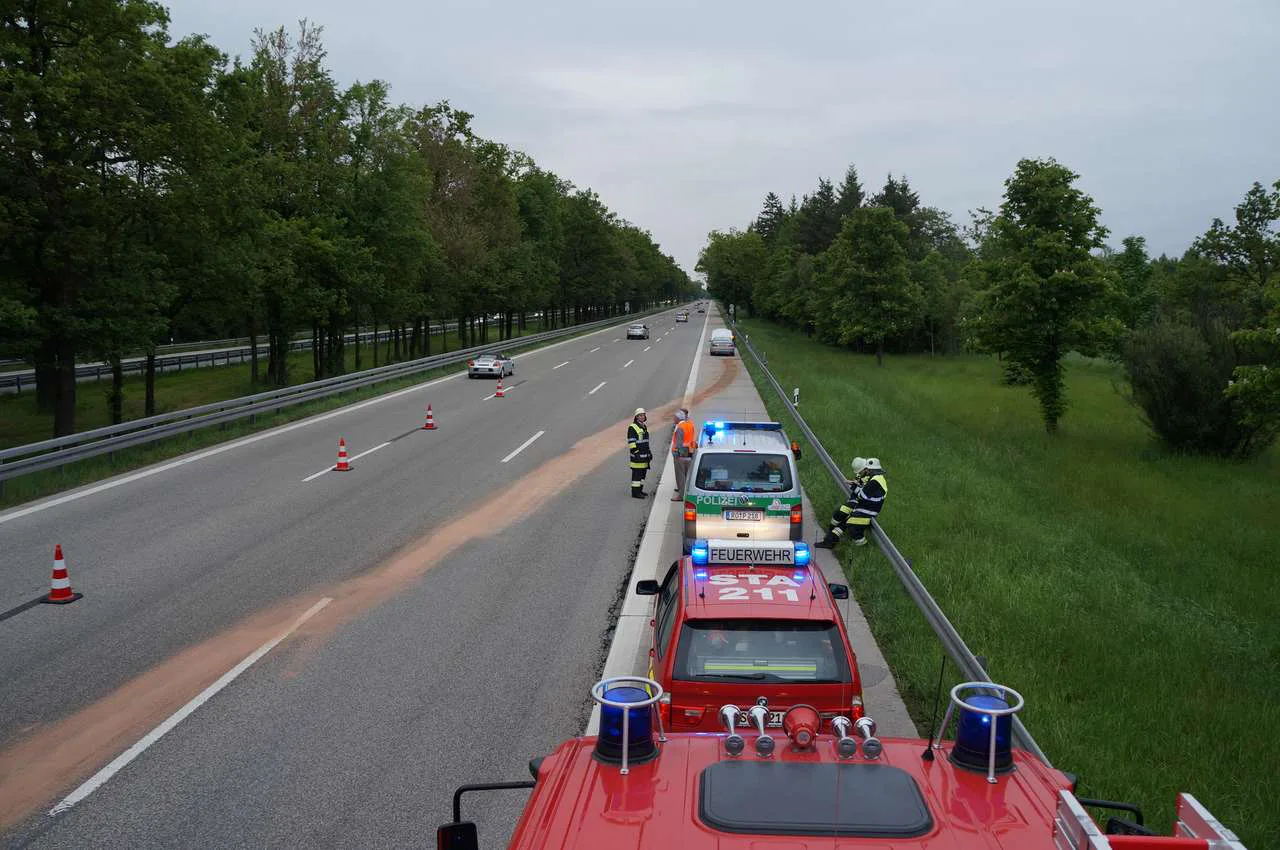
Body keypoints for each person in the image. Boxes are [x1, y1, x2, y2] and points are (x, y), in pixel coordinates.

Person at [815, 457, 887, 548]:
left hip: (867, 510)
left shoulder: (875, 481)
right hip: (863, 506)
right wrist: (856, 486)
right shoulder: (875, 478)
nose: (867, 471)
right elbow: (863, 493)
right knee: (843, 518)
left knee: (851, 525)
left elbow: (863, 495)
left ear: (872, 470)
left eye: (868, 469)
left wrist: (854, 486)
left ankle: (863, 547)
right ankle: (830, 540)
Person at [669, 407, 696, 501]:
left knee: (680, 476)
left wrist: (677, 455)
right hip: (689, 453)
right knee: (687, 475)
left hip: (681, 455)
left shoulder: (680, 428)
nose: (673, 419)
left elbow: (679, 444)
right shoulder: (689, 424)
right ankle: (686, 492)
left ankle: (681, 495)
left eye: (674, 417)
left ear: (678, 418)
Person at [627, 408, 653, 498]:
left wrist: (649, 453)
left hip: (644, 456)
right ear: (636, 417)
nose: (642, 417)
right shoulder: (632, 427)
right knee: (636, 477)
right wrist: (636, 452)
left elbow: (645, 442)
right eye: (640, 415)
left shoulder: (643, 426)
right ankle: (635, 493)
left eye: (643, 415)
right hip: (637, 457)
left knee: (642, 476)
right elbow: (631, 442)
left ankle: (640, 491)